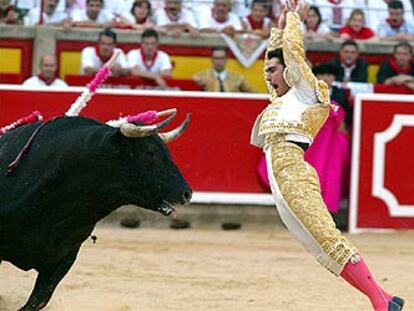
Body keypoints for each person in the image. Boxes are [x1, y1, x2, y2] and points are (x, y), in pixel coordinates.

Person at [251, 1, 405, 310]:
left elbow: (291, 54)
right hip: (281, 176)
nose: (267, 76)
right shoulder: (280, 98)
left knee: (326, 237)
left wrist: (294, 18)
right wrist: (279, 26)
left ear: (290, 71)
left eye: (272, 70)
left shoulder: (306, 90)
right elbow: (278, 55)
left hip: (293, 171)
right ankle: (385, 297)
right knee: (317, 247)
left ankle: (379, 303)